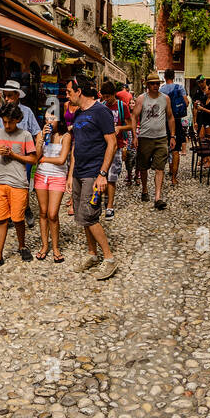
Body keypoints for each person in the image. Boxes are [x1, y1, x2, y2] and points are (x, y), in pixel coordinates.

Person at [65, 83, 119, 278]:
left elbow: (111, 143)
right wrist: (71, 174)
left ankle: (109, 258)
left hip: (93, 173)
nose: (67, 95)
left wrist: (102, 174)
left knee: (89, 215)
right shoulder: (79, 113)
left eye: (69, 92)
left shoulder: (101, 111)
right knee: (82, 217)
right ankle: (92, 254)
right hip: (79, 172)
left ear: (79, 92)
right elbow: (75, 147)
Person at [0, 104, 38, 269]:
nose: (7, 125)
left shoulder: (25, 135)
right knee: (1, 219)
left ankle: (22, 246)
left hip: (19, 183)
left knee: (18, 218)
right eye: (4, 122)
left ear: (18, 120)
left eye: (10, 122)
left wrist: (13, 155)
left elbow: (33, 159)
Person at [34, 110, 75, 263]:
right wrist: (41, 141)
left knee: (53, 213)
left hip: (57, 177)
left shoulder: (66, 136)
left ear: (59, 120)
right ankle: (45, 245)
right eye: (46, 119)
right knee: (43, 212)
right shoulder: (41, 135)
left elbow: (62, 160)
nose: (49, 122)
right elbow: (36, 157)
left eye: (52, 119)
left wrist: (44, 159)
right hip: (41, 176)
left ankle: (56, 247)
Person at [135, 75, 175, 211]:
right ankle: (145, 189)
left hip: (161, 138)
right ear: (147, 85)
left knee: (160, 168)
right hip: (145, 137)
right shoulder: (141, 99)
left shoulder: (165, 99)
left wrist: (173, 136)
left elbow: (170, 117)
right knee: (143, 166)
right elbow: (134, 116)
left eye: (157, 83)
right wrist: (135, 136)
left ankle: (158, 197)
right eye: (152, 84)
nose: (155, 86)